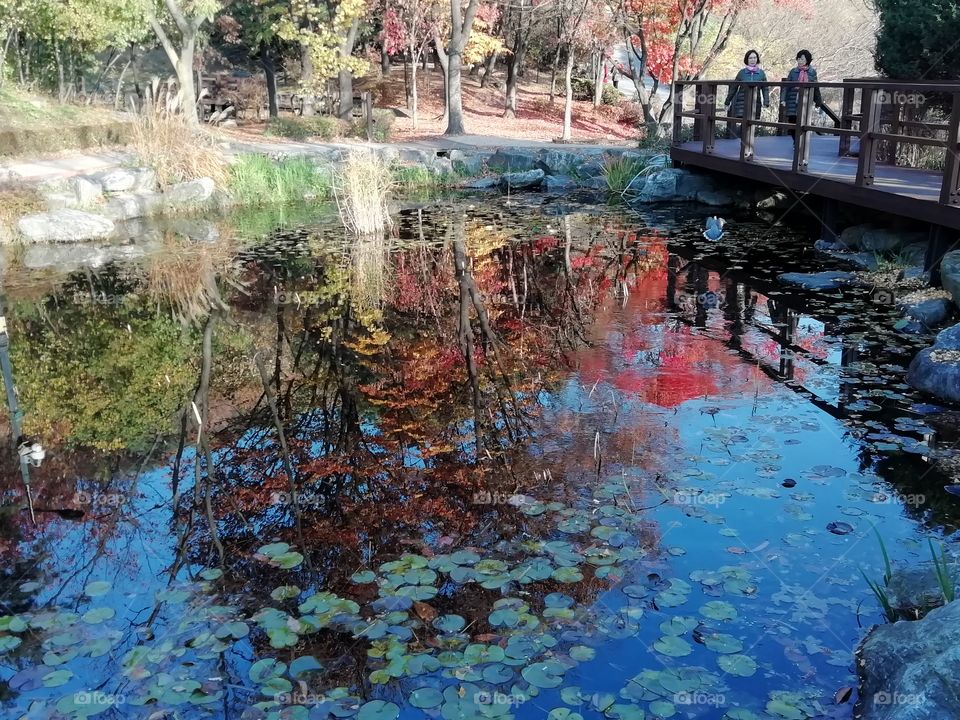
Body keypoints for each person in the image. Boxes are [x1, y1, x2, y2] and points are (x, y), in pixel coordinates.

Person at [724, 50, 770, 139]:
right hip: (742, 102)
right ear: (747, 59)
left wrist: (766, 101)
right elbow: (734, 88)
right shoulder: (741, 73)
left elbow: (765, 88)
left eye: (754, 58)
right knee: (744, 123)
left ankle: (748, 144)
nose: (753, 60)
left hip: (756, 102)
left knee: (752, 123)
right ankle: (744, 143)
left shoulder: (761, 73)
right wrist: (727, 102)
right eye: (750, 58)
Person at [781, 49, 823, 143]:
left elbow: (815, 87)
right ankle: (795, 142)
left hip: (805, 101)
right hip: (792, 100)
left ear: (807, 60)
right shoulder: (793, 72)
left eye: (802, 59)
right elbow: (786, 86)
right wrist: (783, 99)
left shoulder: (812, 72)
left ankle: (800, 142)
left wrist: (818, 101)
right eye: (798, 59)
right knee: (792, 122)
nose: (800, 61)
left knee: (803, 122)